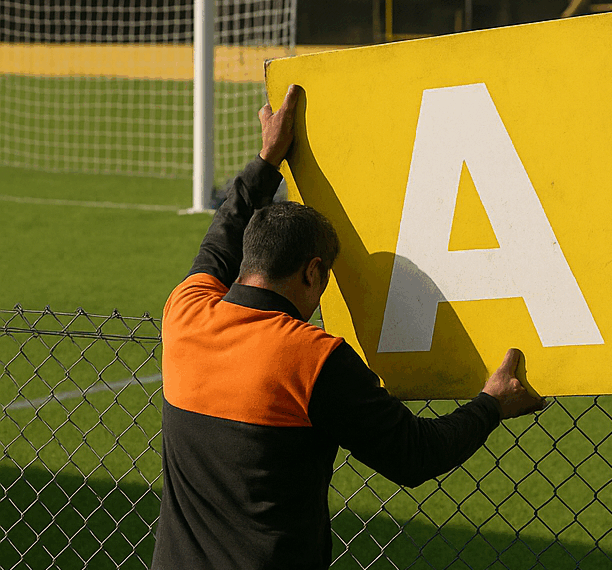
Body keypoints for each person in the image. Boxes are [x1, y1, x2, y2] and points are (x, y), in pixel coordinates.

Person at [151, 85, 546, 569]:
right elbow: (413, 456)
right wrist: (491, 404)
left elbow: (219, 239)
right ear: (312, 272)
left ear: (249, 258)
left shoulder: (184, 312)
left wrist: (267, 159)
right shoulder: (312, 357)